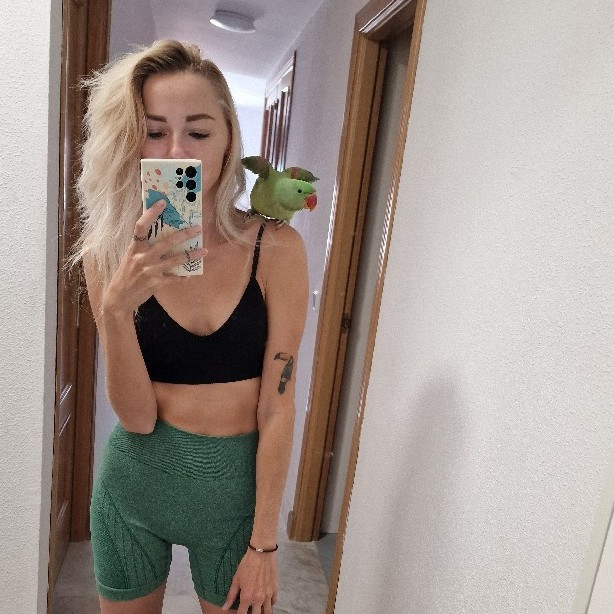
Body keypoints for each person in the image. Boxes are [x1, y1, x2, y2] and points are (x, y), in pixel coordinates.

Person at [74, 39, 308, 614]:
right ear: (131, 142)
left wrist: (265, 543)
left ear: (229, 140)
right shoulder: (109, 255)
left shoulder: (275, 247)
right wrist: (116, 310)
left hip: (233, 501)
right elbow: (136, 417)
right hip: (134, 491)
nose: (177, 151)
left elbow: (278, 406)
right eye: (154, 131)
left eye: (198, 132)